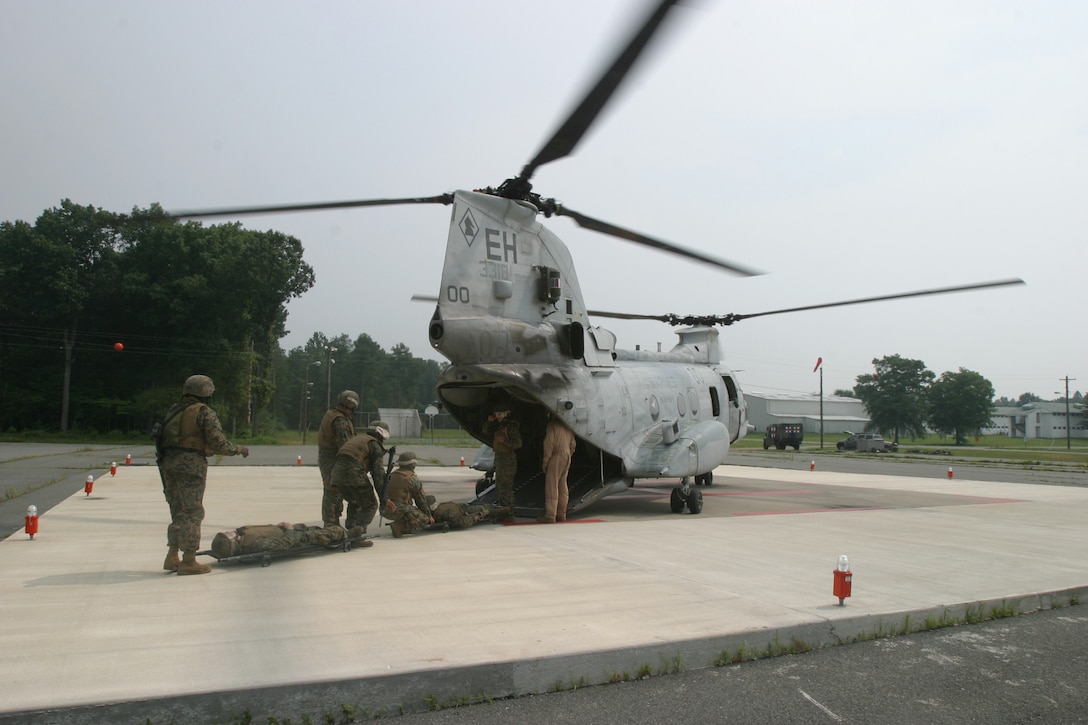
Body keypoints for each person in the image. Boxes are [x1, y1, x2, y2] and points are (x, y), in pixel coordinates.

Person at [156, 374, 249, 576]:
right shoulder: (204, 412)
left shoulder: (174, 410)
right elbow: (218, 443)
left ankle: (172, 555)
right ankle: (189, 560)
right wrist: (239, 449)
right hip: (191, 465)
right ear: (206, 392)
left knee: (177, 510)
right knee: (193, 512)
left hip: (168, 463)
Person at [330, 421, 391, 534]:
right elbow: (378, 474)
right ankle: (358, 531)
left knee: (355, 501)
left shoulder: (358, 439)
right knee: (370, 504)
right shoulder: (374, 444)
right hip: (353, 473)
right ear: (380, 434)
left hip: (336, 475)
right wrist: (384, 498)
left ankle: (351, 530)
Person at [209, 522, 370, 559]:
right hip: (297, 538)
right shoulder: (256, 544)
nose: (231, 532)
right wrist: (291, 531)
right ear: (234, 544)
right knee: (324, 533)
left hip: (284, 530)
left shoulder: (243, 534)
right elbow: (285, 545)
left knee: (313, 527)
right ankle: (348, 535)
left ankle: (342, 532)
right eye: (229, 535)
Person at [317, 390, 359, 527]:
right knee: (337, 493)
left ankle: (331, 526)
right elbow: (346, 447)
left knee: (331, 492)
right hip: (336, 461)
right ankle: (333, 528)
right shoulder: (341, 421)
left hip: (327, 460)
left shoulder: (331, 414)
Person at [382, 451, 434, 538]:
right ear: (413, 465)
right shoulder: (412, 479)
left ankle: (400, 522)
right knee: (424, 519)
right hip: (399, 511)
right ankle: (400, 527)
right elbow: (420, 500)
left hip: (385, 510)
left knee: (407, 509)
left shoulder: (391, 475)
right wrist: (429, 516)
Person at [482, 407, 521, 516]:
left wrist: (505, 441)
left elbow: (517, 443)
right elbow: (486, 431)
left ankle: (509, 510)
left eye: (500, 414)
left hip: (508, 459)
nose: (498, 417)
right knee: (499, 486)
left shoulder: (511, 426)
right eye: (496, 414)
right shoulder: (499, 425)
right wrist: (489, 422)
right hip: (500, 458)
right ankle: (503, 509)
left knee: (506, 486)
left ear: (505, 414)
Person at [539, 416, 577, 523]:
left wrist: (546, 461)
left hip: (556, 456)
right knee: (562, 484)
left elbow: (549, 443)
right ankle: (562, 514)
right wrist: (569, 454)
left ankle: (550, 515)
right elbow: (573, 444)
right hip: (567, 455)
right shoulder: (568, 426)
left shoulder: (552, 426)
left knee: (552, 485)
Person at [431, 501, 512, 529]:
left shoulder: (438, 507)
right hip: (464, 512)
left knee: (482, 507)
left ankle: (499, 510)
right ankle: (500, 512)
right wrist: (474, 518)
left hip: (462, 508)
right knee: (484, 510)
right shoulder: (445, 513)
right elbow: (463, 521)